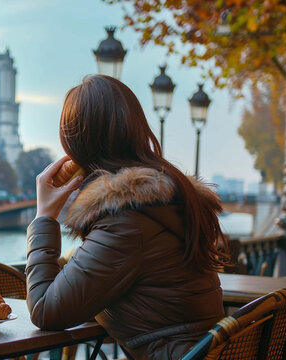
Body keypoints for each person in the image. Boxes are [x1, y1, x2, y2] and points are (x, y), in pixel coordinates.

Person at [26, 75, 229, 359]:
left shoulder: (126, 219)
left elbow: (45, 311)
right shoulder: (167, 201)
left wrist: (44, 217)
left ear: (78, 146)